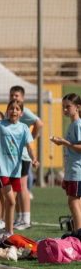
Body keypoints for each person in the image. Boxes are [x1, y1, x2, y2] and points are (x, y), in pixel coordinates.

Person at [0, 100, 39, 237]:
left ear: (21, 113)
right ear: (7, 111)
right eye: (11, 108)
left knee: (11, 202)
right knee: (11, 201)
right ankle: (9, 231)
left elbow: (30, 146)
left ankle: (8, 230)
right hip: (2, 169)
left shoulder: (24, 128)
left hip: (15, 170)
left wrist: (34, 158)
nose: (14, 111)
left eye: (17, 109)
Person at [9, 86, 44, 231]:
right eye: (12, 95)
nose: (14, 97)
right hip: (13, 156)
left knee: (23, 187)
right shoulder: (10, 110)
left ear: (22, 97)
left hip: (23, 156)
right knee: (16, 187)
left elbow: (39, 123)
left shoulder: (25, 112)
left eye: (16, 95)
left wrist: (31, 138)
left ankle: (26, 219)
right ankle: (19, 217)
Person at [50, 93, 81, 234]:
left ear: (77, 107)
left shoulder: (78, 125)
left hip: (77, 170)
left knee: (73, 202)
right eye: (63, 107)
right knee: (76, 202)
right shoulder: (72, 124)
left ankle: (78, 233)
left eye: (68, 106)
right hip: (71, 170)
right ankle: (77, 231)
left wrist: (64, 142)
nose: (65, 110)